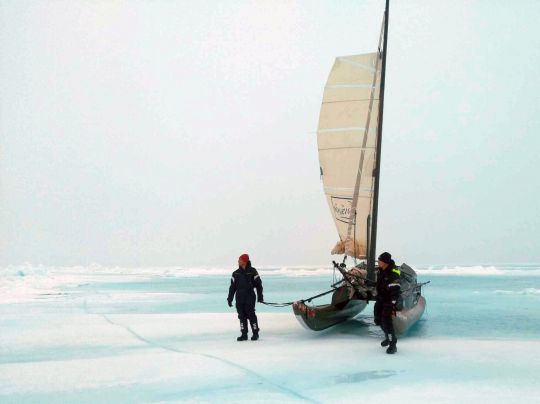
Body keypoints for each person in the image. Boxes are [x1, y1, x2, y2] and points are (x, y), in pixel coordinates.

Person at [227, 253, 264, 341]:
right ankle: (244, 334)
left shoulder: (253, 271)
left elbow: (259, 285)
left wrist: (260, 297)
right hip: (239, 298)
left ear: (245, 261)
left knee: (251, 315)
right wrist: (230, 298)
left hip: (250, 297)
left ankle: (255, 333)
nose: (238, 261)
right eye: (239, 260)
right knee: (241, 316)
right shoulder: (235, 273)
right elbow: (232, 287)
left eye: (240, 260)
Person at [374, 252, 401, 354]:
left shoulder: (393, 273)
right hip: (380, 299)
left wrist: (392, 304)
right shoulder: (381, 271)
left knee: (387, 322)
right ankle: (387, 337)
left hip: (389, 301)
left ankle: (392, 344)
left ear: (385, 262)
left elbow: (395, 290)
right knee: (378, 319)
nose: (378, 262)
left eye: (379, 260)